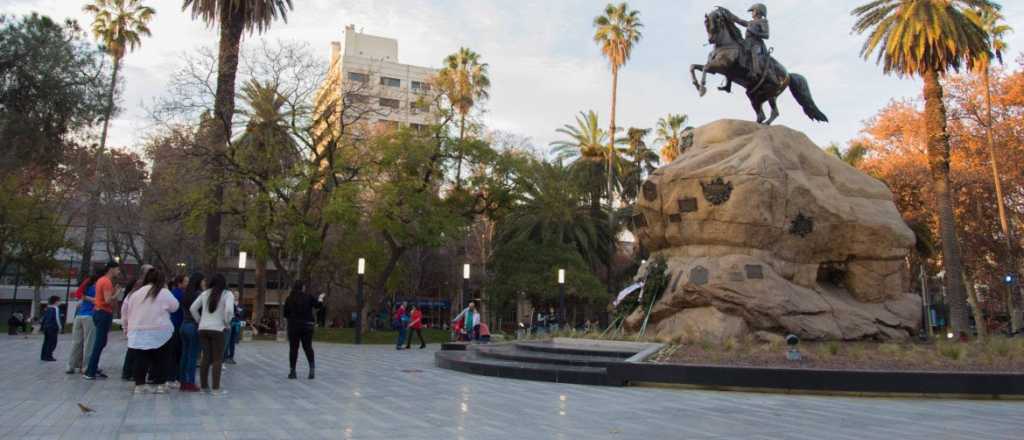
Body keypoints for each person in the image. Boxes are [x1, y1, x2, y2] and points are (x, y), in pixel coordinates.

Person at [121, 269, 179, 394]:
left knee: (140, 359)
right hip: (160, 330)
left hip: (138, 330)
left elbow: (126, 311)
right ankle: (160, 384)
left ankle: (139, 385)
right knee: (162, 358)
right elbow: (175, 307)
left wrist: (126, 328)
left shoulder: (136, 294)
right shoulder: (164, 292)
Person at [189, 273, 234, 395]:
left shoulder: (205, 293)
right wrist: (226, 322)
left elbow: (192, 308)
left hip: (203, 329)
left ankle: (204, 387)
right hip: (218, 329)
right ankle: (216, 389)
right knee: (217, 359)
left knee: (205, 358)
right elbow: (229, 310)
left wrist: (199, 321)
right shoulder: (227, 294)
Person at [84, 261, 121, 380]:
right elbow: (107, 300)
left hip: (98, 311)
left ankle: (93, 368)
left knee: (100, 342)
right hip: (103, 313)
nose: (118, 272)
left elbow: (101, 298)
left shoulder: (101, 280)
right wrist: (117, 294)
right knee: (99, 343)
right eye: (117, 269)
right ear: (111, 269)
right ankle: (90, 371)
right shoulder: (106, 282)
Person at [721, 4, 773, 84]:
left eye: (753, 11)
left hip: (756, 44)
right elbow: (739, 20)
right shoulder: (750, 23)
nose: (752, 13)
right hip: (747, 43)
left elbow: (766, 35)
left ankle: (756, 72)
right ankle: (728, 82)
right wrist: (728, 13)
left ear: (758, 12)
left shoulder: (763, 21)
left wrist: (755, 32)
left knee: (753, 52)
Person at [283, 281, 322, 380]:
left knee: (293, 349)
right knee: (308, 347)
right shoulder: (308, 297)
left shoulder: (289, 298)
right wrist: (321, 298)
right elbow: (318, 306)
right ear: (302, 288)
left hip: (294, 326)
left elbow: (285, 314)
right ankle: (311, 369)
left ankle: (292, 371)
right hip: (307, 326)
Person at [121, 264, 154, 381]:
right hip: (137, 320)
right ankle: (130, 372)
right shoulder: (141, 285)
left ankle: (130, 371)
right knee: (135, 348)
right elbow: (129, 302)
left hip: (137, 320)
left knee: (134, 347)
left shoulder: (142, 284)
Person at [66, 273, 99, 374]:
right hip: (90, 316)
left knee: (76, 342)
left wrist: (86, 298)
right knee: (89, 343)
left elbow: (78, 294)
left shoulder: (86, 285)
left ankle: (71, 365)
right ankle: (86, 366)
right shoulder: (97, 288)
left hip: (79, 315)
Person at [178, 273, 204, 392]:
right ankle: (190, 382)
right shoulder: (199, 294)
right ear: (199, 282)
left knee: (184, 355)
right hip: (193, 326)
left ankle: (183, 381)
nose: (204, 283)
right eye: (203, 281)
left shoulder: (185, 294)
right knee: (192, 356)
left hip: (183, 325)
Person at [165, 275, 186, 388]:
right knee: (176, 352)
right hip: (176, 324)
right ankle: (173, 377)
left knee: (175, 352)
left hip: (175, 324)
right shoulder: (178, 294)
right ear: (179, 283)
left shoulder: (175, 292)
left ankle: (173, 376)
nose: (187, 283)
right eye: (186, 281)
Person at [40, 296, 61, 361]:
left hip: (46, 327)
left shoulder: (47, 308)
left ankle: (43, 356)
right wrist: (60, 327)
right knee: (52, 342)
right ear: (56, 302)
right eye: (59, 301)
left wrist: (42, 327)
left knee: (46, 342)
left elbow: (44, 318)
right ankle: (49, 356)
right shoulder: (55, 308)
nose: (60, 302)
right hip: (53, 327)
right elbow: (57, 318)